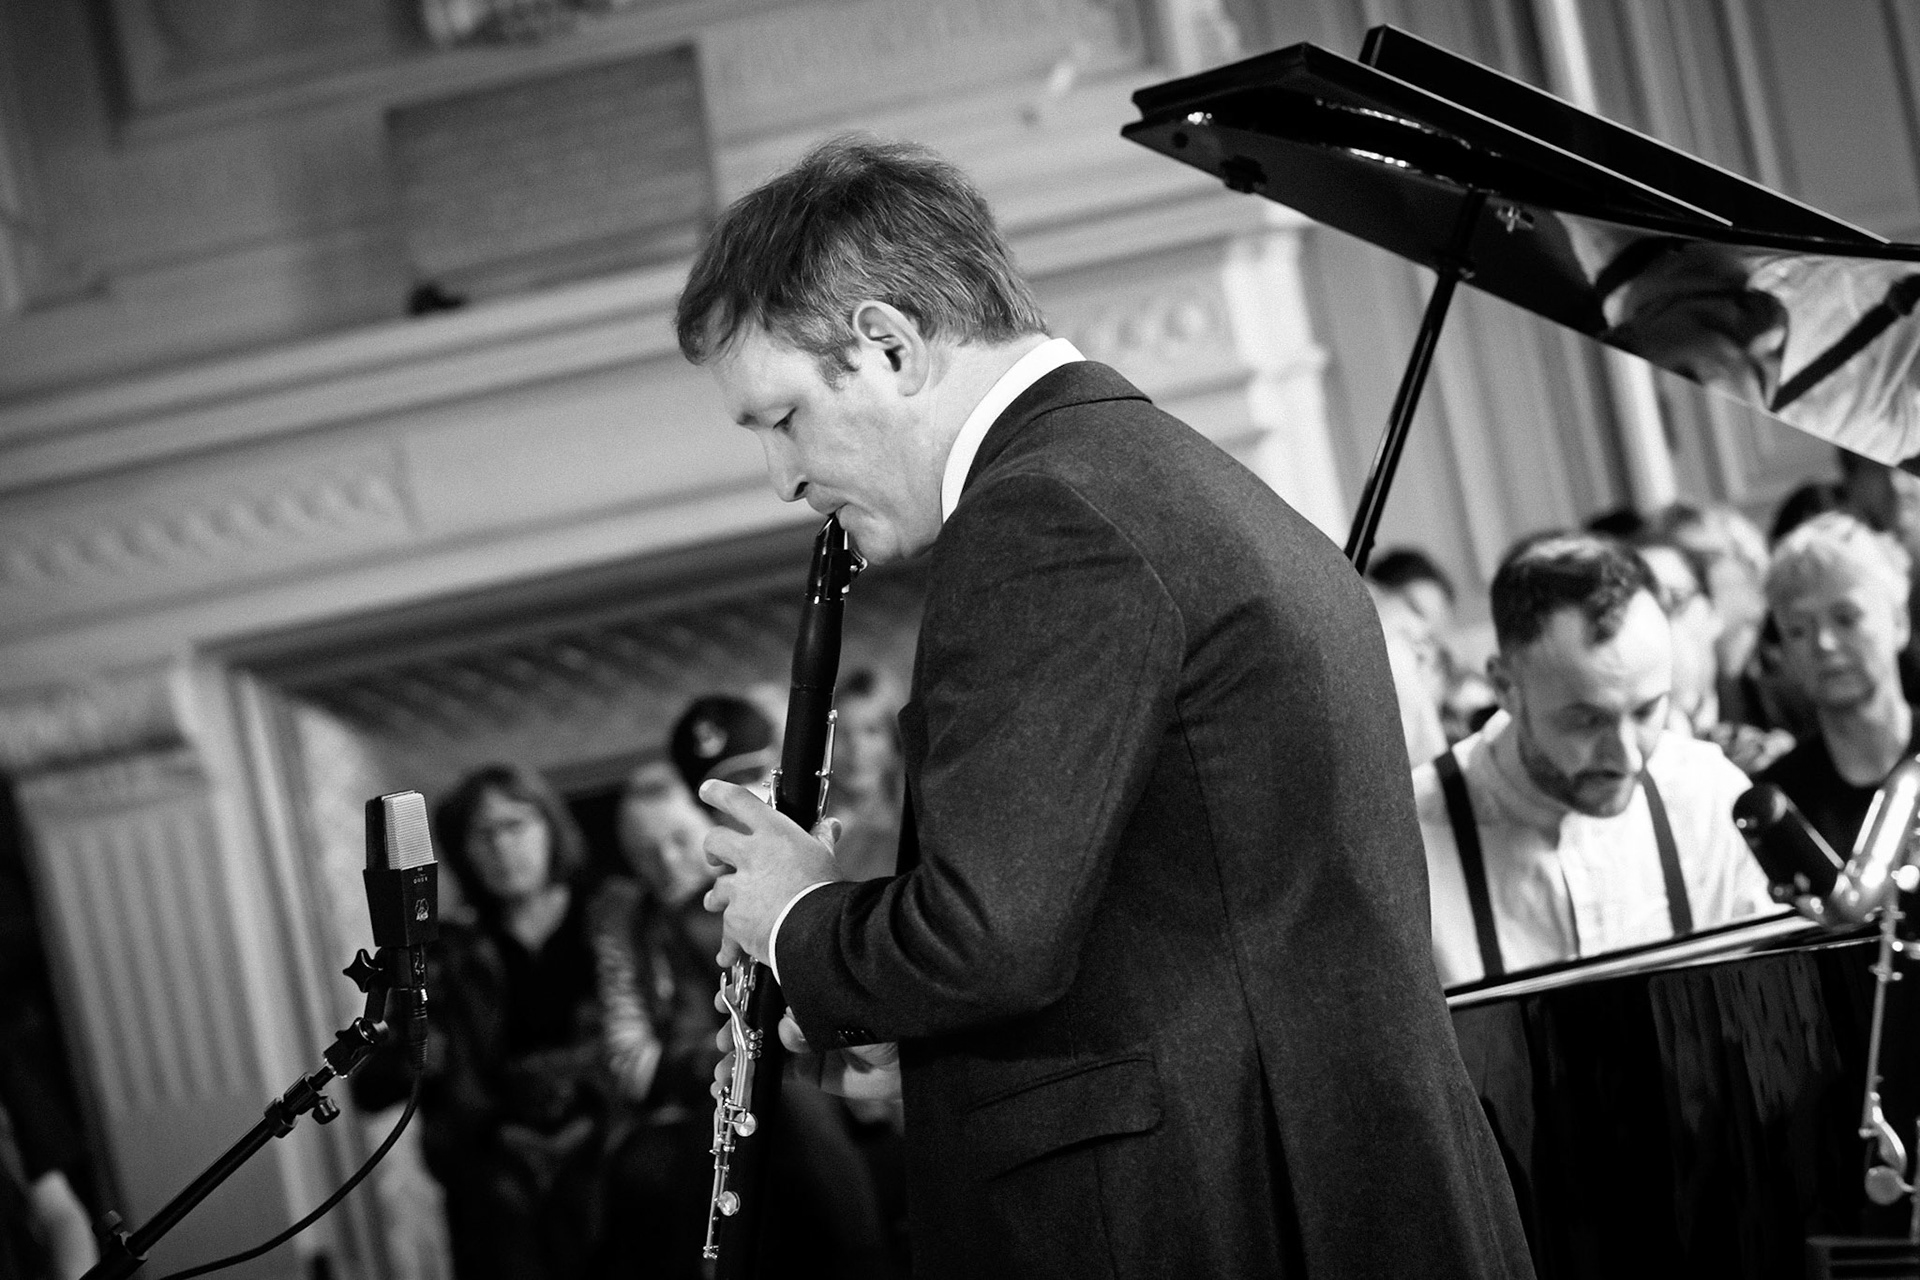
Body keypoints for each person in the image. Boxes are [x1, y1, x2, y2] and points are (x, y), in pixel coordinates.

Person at [676, 135, 1531, 1278]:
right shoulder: (1138, 468)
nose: (783, 480)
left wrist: (798, 913)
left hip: (1226, 1213)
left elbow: (988, 939)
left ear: (888, 343)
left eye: (782, 420)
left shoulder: (1047, 520)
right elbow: (1150, 909)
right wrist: (911, 1015)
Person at [1412, 533, 1776, 987]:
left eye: (1646, 711)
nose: (1626, 755)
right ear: (1505, 687)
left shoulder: (1708, 799)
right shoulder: (1412, 844)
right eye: (1587, 721)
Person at [351, 764, 615, 1280]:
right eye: (483, 835)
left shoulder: (614, 916)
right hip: (498, 1160)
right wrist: (420, 1049)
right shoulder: (441, 952)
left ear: (549, 826)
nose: (502, 847)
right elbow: (372, 1088)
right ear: (461, 852)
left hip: (609, 1132)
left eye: (516, 825)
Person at [1758, 512, 1920, 854]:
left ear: (1899, 622)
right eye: (1799, 629)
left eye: (1847, 618)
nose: (1824, 643)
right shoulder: (1778, 804)